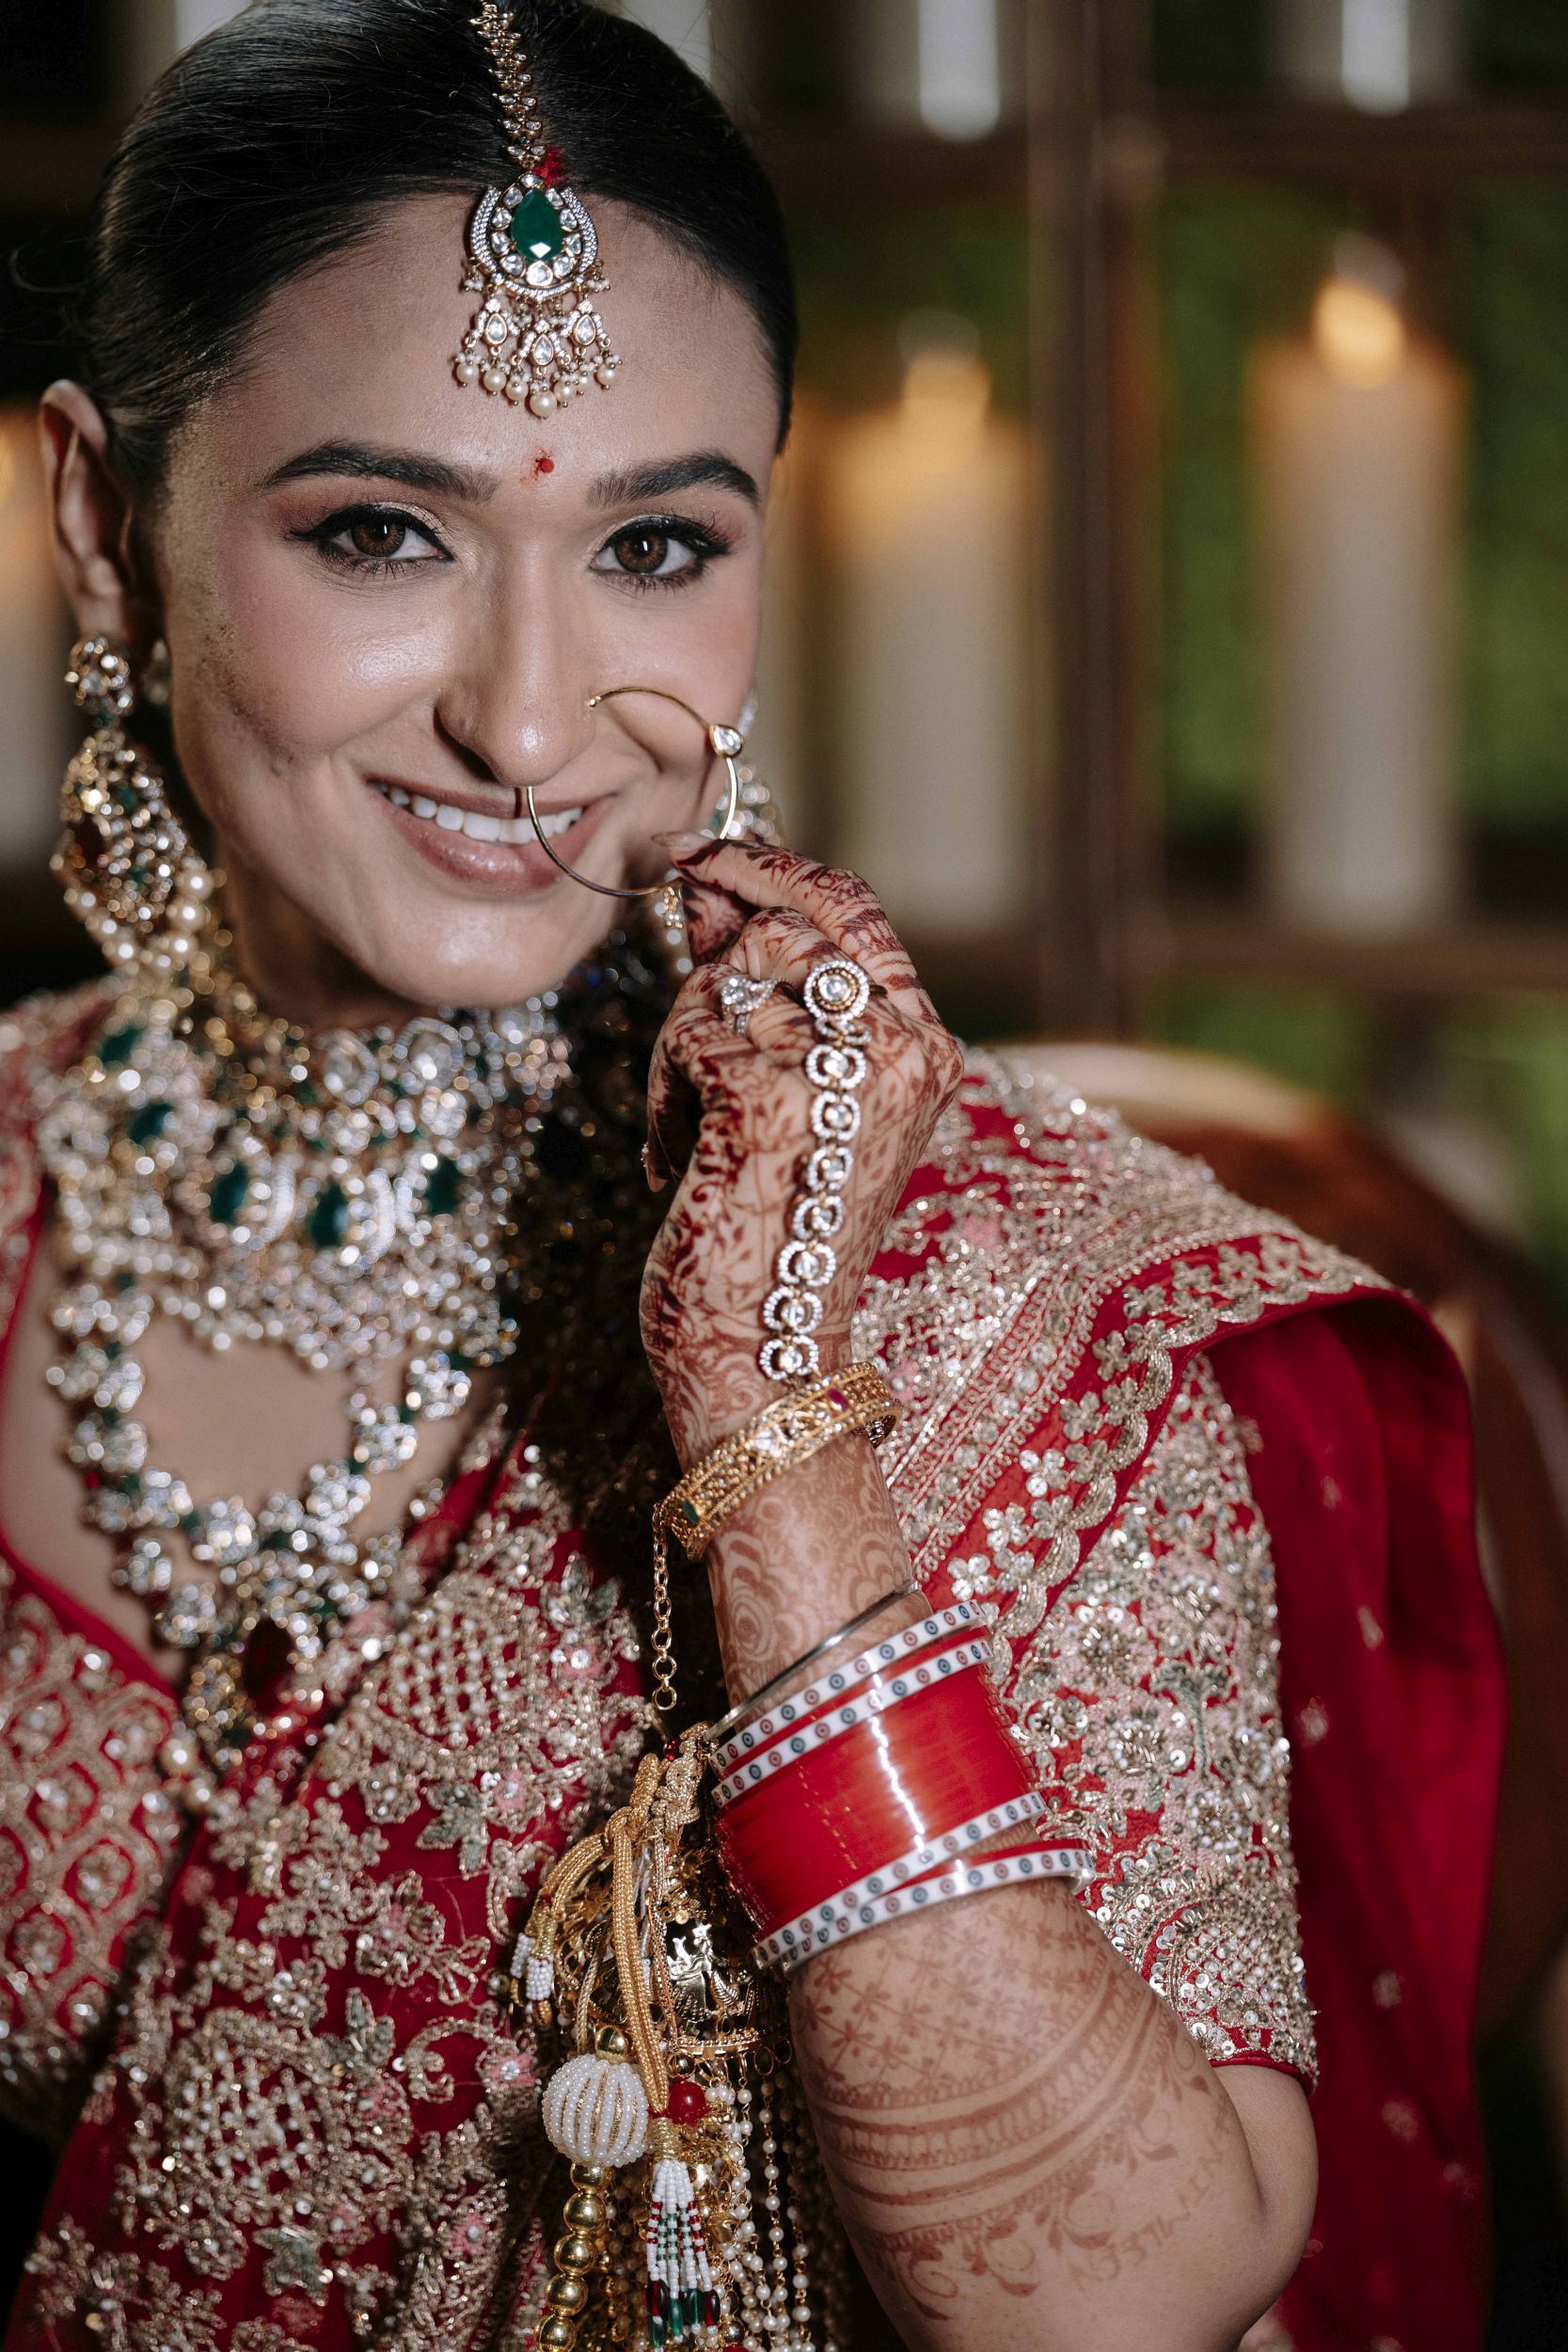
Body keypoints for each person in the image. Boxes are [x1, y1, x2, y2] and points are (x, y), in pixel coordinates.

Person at [0, 4, 1503, 2347]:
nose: (527, 716)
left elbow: (1119, 2301)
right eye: (382, 530)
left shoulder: (1000, 1276)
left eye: (656, 542)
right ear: (108, 524)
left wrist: (775, 1415)